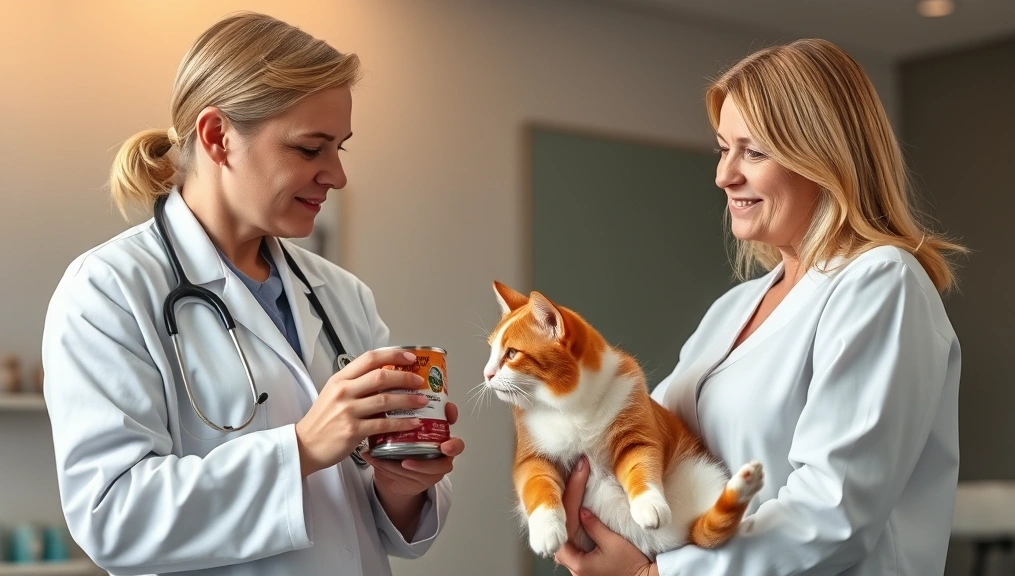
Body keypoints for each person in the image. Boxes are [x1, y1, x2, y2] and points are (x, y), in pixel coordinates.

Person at [41, 12, 463, 576]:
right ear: (218, 137)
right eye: (311, 149)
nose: (336, 175)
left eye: (341, 148)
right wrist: (304, 447)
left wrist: (401, 483)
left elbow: (371, 522)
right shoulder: (109, 291)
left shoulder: (340, 296)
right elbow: (113, 517)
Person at [553, 38, 966, 576]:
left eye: (754, 151)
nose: (725, 175)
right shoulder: (735, 307)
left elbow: (833, 511)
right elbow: (651, 438)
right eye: (724, 148)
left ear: (822, 158)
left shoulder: (881, 281)